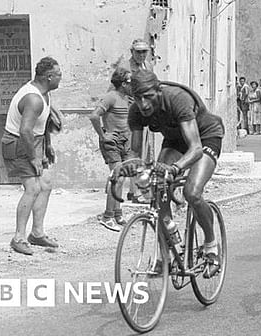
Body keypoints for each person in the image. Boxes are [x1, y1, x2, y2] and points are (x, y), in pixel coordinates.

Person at [126, 70, 225, 277]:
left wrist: (174, 168)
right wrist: (128, 167)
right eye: (138, 97)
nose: (143, 104)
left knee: (192, 192)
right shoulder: (136, 111)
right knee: (157, 188)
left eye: (148, 97)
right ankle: (169, 251)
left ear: (159, 91)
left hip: (204, 138)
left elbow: (196, 148)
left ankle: (211, 247)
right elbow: (134, 151)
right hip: (174, 140)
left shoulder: (177, 99)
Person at [3, 57, 62, 255]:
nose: (60, 79)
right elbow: (25, 131)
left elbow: (41, 124)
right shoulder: (34, 98)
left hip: (34, 141)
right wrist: (34, 158)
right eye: (59, 75)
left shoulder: (44, 93)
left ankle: (37, 233)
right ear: (49, 76)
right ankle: (18, 237)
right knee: (33, 187)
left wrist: (47, 146)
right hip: (19, 142)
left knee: (45, 183)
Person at [89, 67, 135, 232]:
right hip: (112, 142)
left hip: (125, 142)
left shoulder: (127, 98)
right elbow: (94, 116)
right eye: (130, 81)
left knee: (123, 177)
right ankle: (107, 216)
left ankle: (117, 213)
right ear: (123, 83)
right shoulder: (111, 97)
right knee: (117, 178)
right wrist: (103, 136)